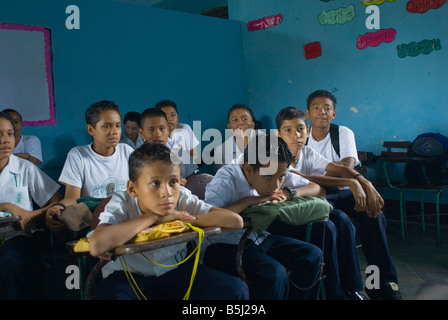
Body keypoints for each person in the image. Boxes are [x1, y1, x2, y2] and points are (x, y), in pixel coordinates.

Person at [89, 142, 249, 300]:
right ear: (133, 189)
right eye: (155, 183)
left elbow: (234, 221)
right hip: (128, 276)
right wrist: (154, 217)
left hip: (173, 271)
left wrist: (181, 220)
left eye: (173, 182)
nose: (167, 193)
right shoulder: (122, 202)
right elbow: (97, 245)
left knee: (235, 290)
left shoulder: (182, 196)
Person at [305, 89, 402, 300]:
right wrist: (330, 172)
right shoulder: (301, 138)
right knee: (337, 226)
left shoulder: (342, 133)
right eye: (316, 107)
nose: (322, 112)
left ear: (334, 114)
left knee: (374, 216)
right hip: (321, 197)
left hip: (349, 194)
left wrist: (317, 173)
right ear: (307, 113)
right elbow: (304, 176)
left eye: (327, 108)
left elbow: (347, 166)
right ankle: (346, 289)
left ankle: (381, 284)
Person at [203, 134, 323, 300]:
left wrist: (289, 193)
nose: (275, 185)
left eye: (281, 177)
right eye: (268, 177)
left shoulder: (274, 168)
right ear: (248, 168)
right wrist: (249, 201)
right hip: (220, 246)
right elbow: (207, 220)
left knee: (312, 255)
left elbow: (316, 188)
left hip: (256, 237)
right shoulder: (225, 179)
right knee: (274, 273)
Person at [275, 106, 373, 299]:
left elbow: (336, 170)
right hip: (281, 217)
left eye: (301, 129)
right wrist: (349, 182)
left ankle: (351, 288)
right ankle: (332, 292)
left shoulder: (308, 153)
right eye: (288, 130)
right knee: (326, 227)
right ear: (279, 134)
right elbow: (308, 181)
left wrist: (362, 181)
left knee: (341, 219)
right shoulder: (275, 156)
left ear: (308, 130)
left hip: (301, 210)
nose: (296, 135)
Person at [45, 100, 134, 233]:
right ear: (91, 129)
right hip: (94, 219)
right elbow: (72, 198)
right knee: (72, 214)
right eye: (107, 126)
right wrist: (58, 207)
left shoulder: (126, 151)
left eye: (117, 126)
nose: (114, 131)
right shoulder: (78, 155)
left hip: (126, 214)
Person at [0, 111, 62, 299]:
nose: (5, 140)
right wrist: (8, 207)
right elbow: (10, 207)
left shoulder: (24, 167)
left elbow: (57, 201)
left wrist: (30, 216)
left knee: (15, 263)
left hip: (17, 236)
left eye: (10, 134)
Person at [138, 108, 198, 185]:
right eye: (151, 129)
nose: (158, 134)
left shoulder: (180, 153)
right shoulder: (136, 158)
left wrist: (186, 185)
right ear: (141, 132)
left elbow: (194, 182)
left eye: (162, 128)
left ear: (168, 130)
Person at [210, 104, 261, 173]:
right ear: (229, 127)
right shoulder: (220, 151)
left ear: (252, 125)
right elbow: (222, 179)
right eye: (235, 120)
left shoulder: (267, 141)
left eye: (244, 119)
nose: (240, 122)